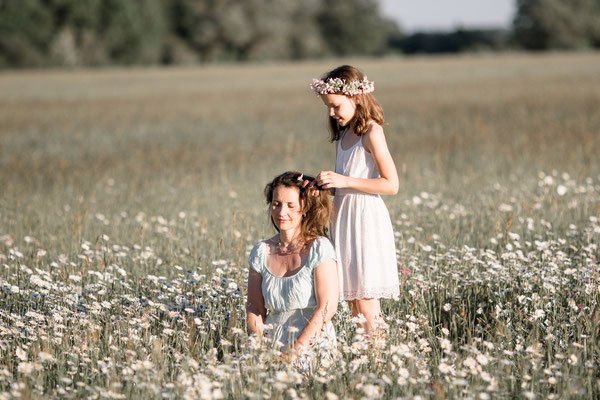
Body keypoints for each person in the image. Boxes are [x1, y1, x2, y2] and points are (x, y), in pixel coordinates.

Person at [310, 65, 400, 334]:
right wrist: (323, 187)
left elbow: (391, 184)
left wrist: (345, 181)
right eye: (328, 106)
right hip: (344, 219)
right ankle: (367, 356)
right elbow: (344, 183)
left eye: (336, 106)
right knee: (353, 301)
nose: (331, 113)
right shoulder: (343, 136)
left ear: (356, 98)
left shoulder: (372, 133)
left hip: (365, 221)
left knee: (366, 302)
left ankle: (378, 358)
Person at [246, 171, 338, 364]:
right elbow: (255, 307)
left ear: (303, 208)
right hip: (272, 344)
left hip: (312, 345)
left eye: (290, 205)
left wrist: (295, 351)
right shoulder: (261, 251)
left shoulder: (319, 248)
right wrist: (263, 349)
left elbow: (326, 308)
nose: (281, 213)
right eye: (276, 204)